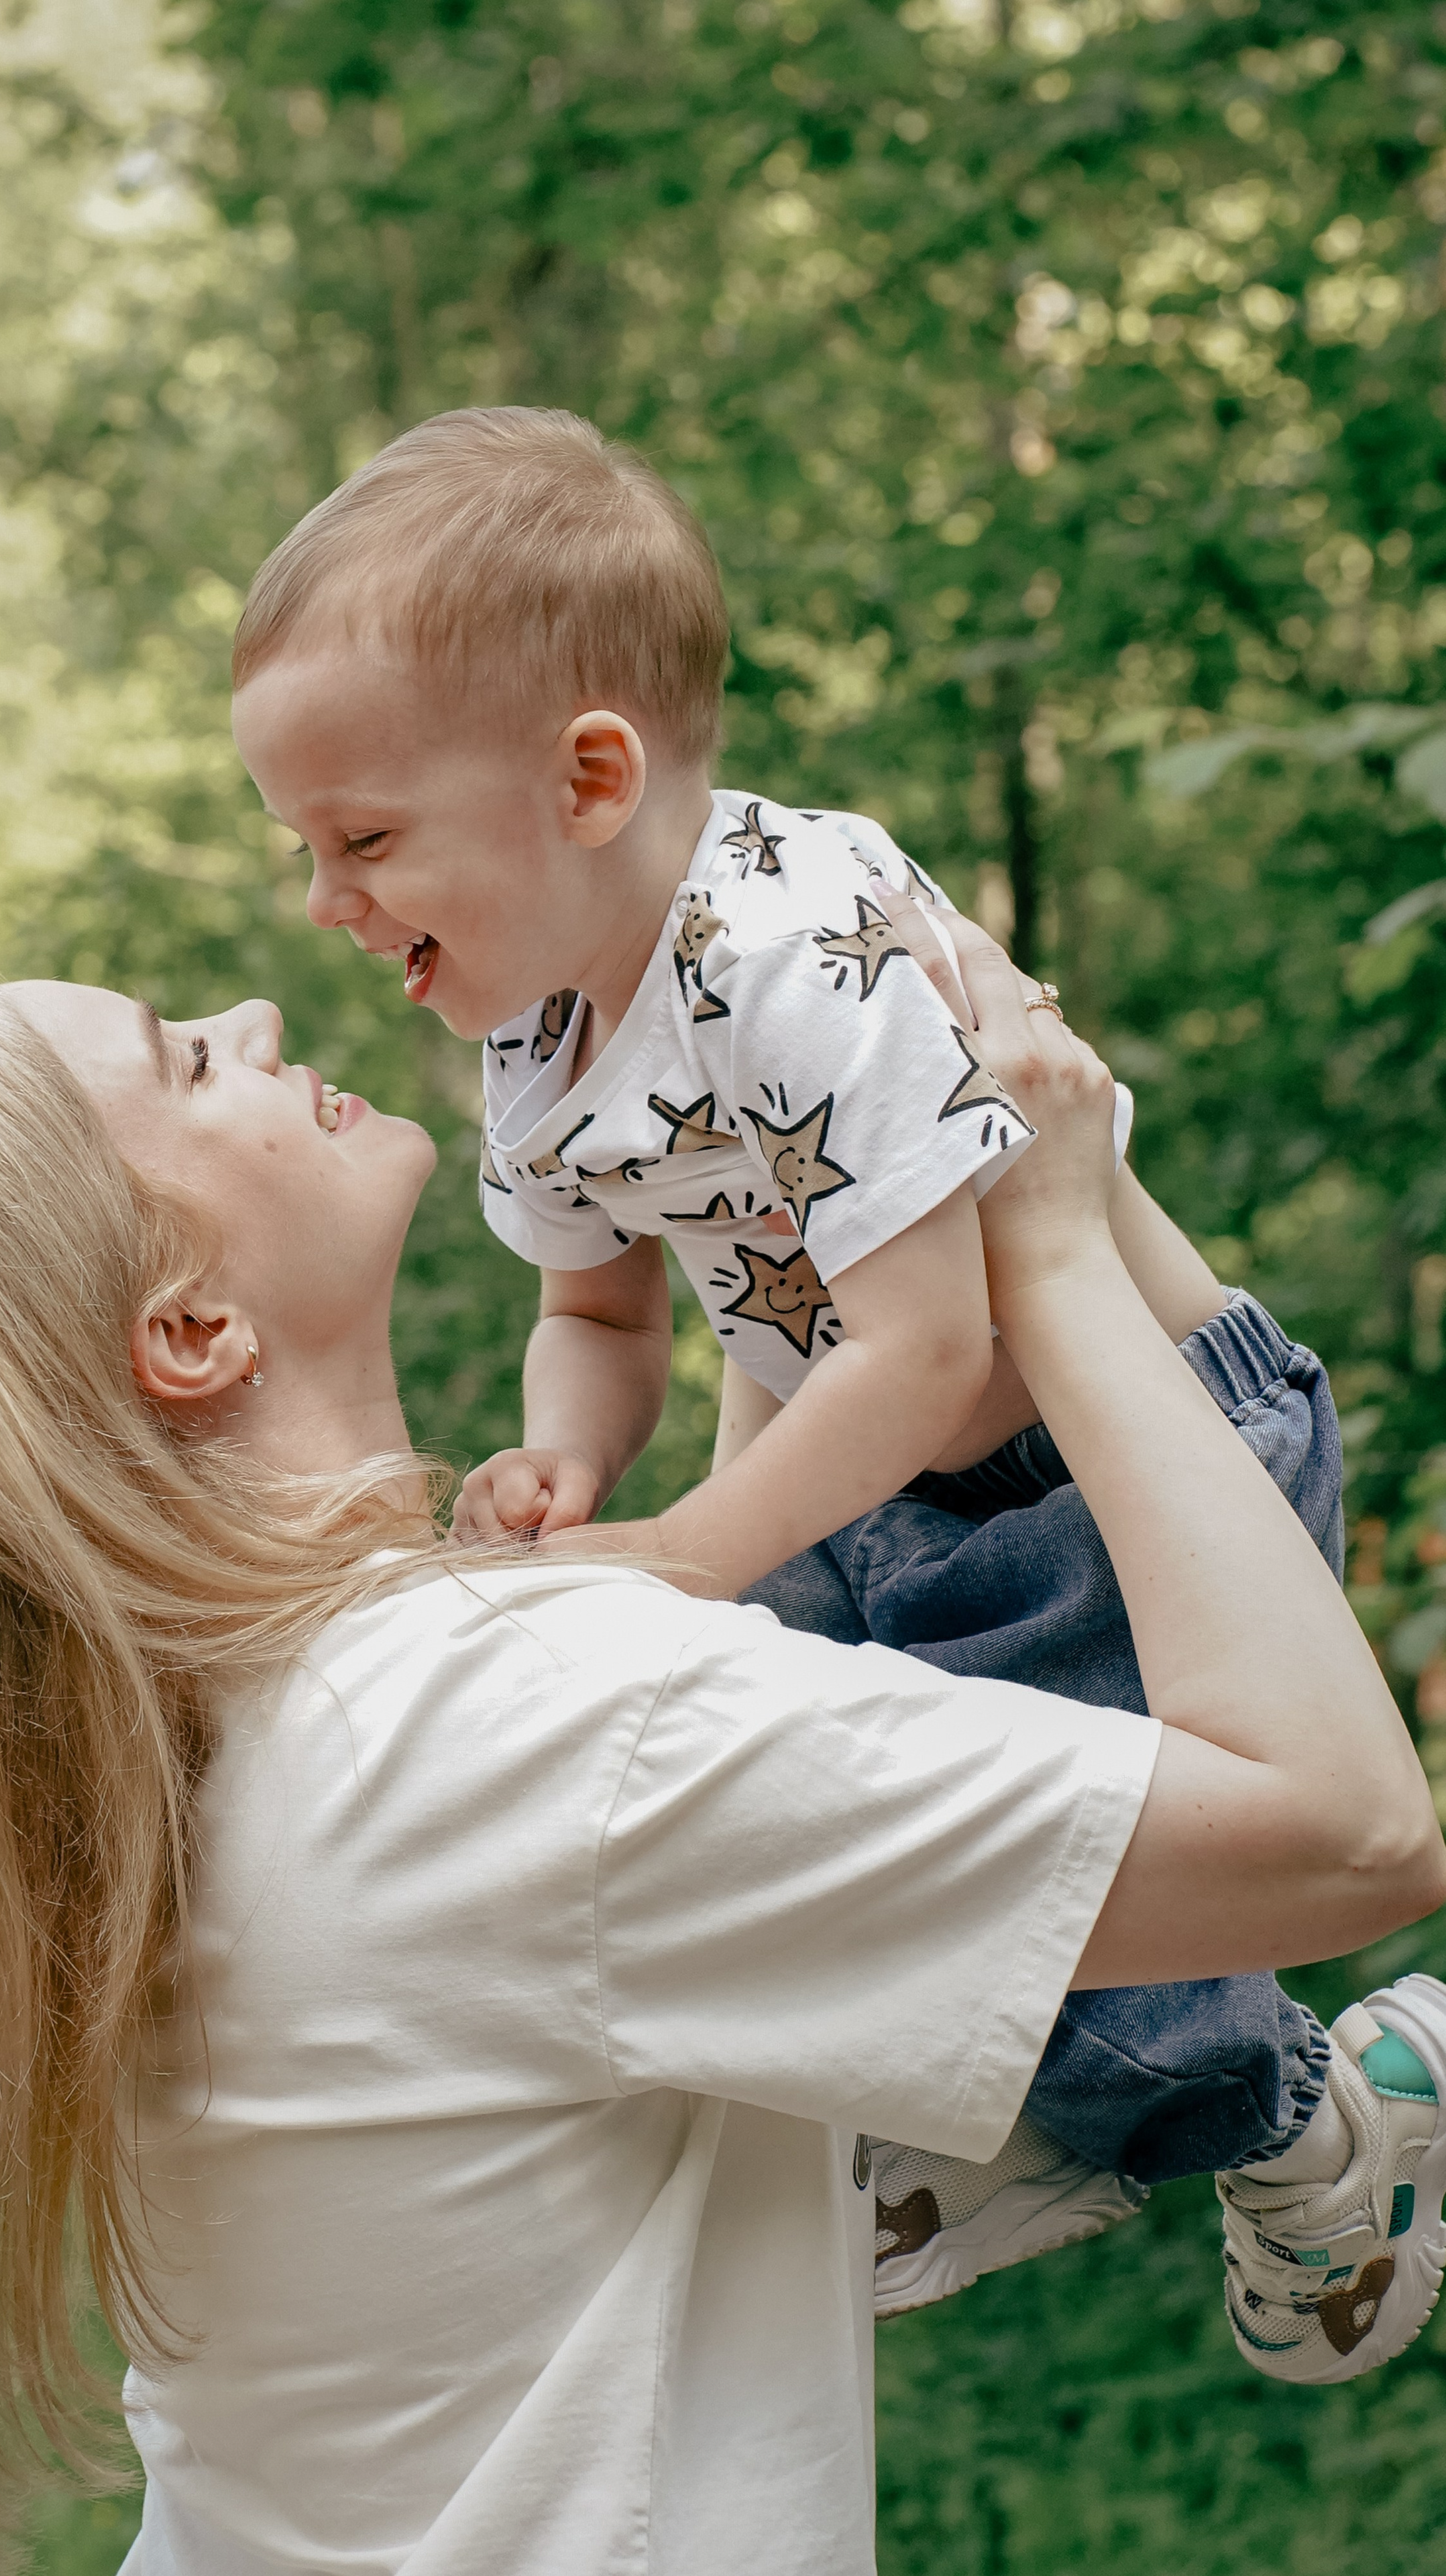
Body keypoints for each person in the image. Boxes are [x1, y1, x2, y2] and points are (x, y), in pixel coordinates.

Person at [0, 932, 1441, 2576]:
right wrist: (1053, 1230)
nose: (251, 1012)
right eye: (185, 1061)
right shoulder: (497, 1724)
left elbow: (714, 1654)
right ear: (188, 1328)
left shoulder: (244, 1730)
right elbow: (1344, 1832)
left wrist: (761, 1180)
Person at [227, 402, 1440, 2371]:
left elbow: (939, 1341)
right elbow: (608, 1318)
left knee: (1077, 1925)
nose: (327, 905)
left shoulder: (797, 944)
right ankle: (965, 2111)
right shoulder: (534, 1028)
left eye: (364, 840)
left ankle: (1335, 2126)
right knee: (756, 1800)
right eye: (306, 848)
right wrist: (564, 1461)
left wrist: (693, 1549)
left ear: (589, 779)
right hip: (877, 1483)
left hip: (1104, 1467)